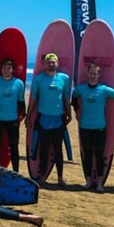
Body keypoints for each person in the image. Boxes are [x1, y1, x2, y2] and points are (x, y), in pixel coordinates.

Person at [72, 62, 114, 192]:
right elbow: (73, 97)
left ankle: (100, 183)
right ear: (87, 74)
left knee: (99, 155)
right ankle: (88, 181)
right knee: (87, 155)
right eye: (91, 73)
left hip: (100, 127)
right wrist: (77, 111)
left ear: (99, 74)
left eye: (95, 73)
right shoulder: (81, 88)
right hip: (84, 126)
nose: (93, 76)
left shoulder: (104, 90)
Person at [25, 53, 72, 186]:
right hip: (43, 119)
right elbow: (33, 98)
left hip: (58, 119)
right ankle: (41, 176)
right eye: (49, 62)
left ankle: (60, 177)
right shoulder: (38, 79)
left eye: (53, 62)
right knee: (43, 149)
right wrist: (28, 116)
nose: (51, 64)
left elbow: (66, 98)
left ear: (57, 64)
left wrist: (69, 114)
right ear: (45, 64)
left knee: (58, 150)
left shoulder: (65, 79)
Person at [0, 59, 26, 172]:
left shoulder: (19, 83)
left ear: (13, 70)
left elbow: (21, 101)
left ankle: (16, 170)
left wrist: (24, 113)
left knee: (14, 145)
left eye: (8, 68)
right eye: (4, 68)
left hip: (12, 119)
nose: (6, 70)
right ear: (1, 69)